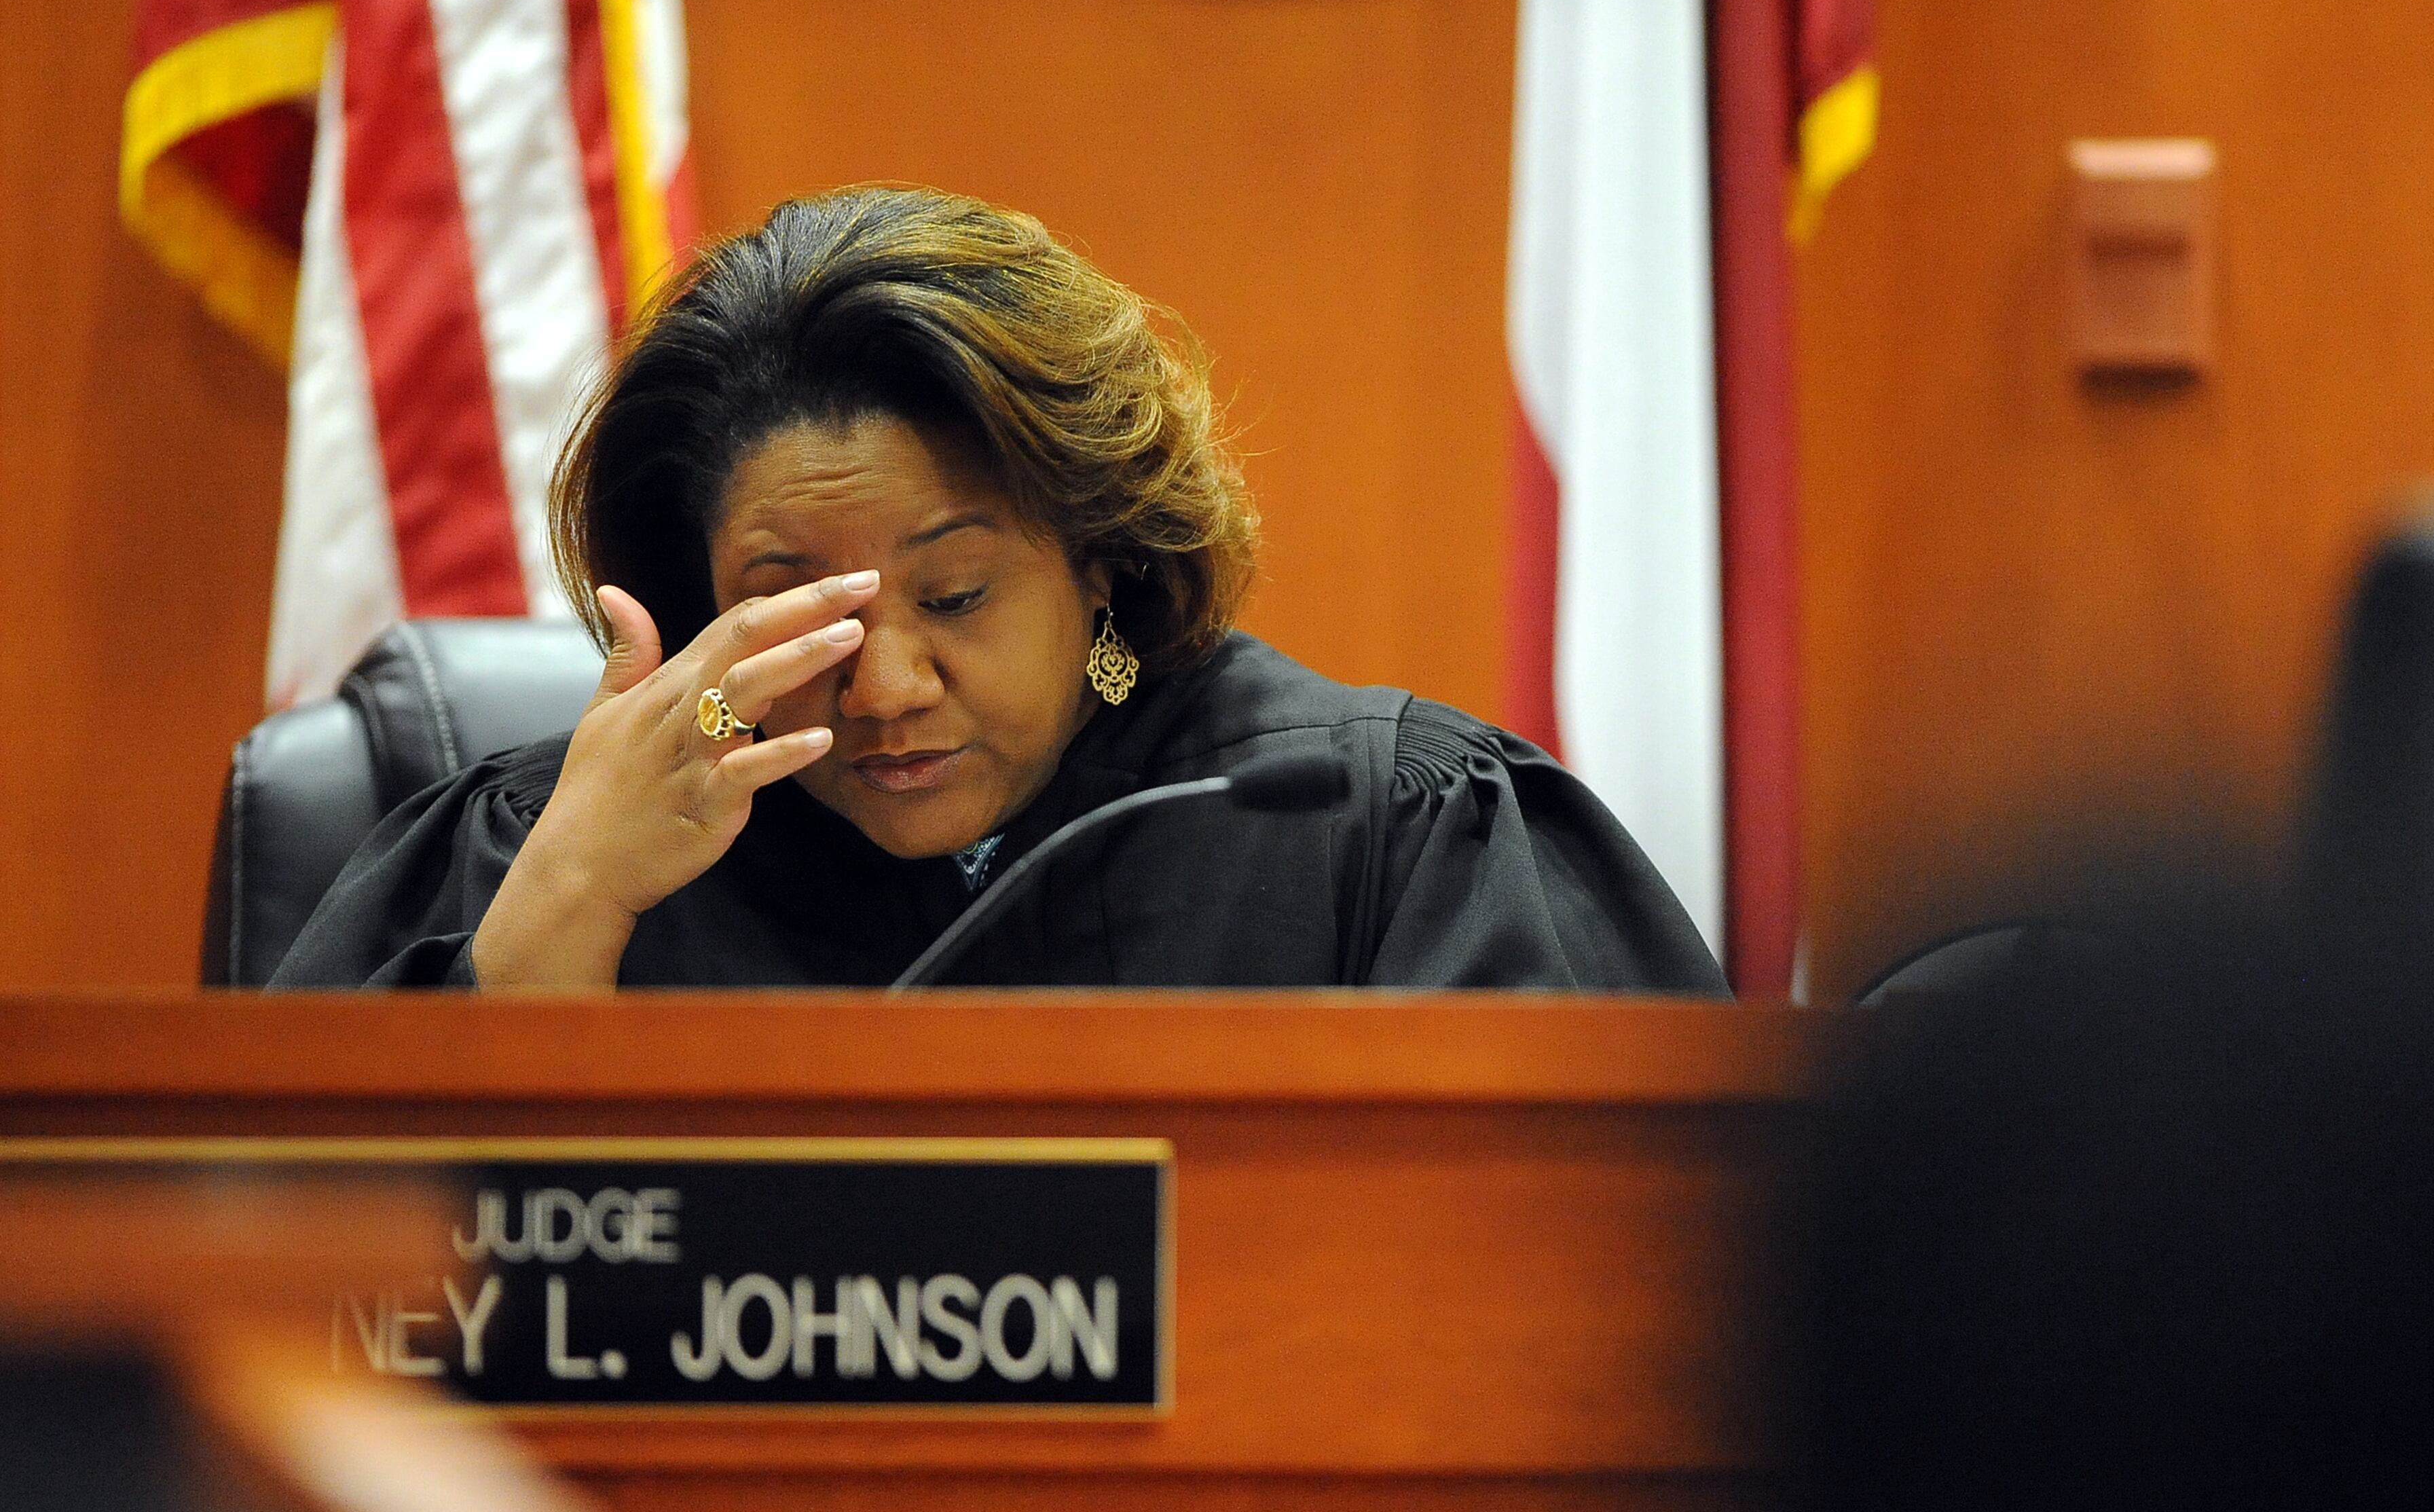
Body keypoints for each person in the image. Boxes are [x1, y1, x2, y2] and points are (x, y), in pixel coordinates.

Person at [272, 185, 1725, 993]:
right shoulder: (558, 854)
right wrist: (564, 910)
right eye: (805, 612)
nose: (888, 687)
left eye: (956, 596)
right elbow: (263, 1346)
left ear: (1100, 565)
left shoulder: (1376, 840)